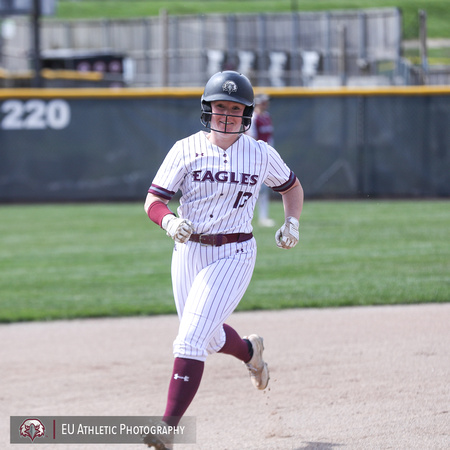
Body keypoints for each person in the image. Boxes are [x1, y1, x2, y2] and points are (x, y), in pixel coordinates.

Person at [143, 71, 303, 449]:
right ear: (208, 110)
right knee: (208, 336)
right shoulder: (185, 149)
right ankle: (251, 351)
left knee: (190, 340)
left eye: (235, 108)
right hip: (188, 250)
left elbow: (291, 187)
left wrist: (291, 222)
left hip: (234, 252)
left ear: (246, 114)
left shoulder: (260, 152)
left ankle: (166, 430)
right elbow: (154, 200)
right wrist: (169, 221)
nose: (227, 115)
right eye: (220, 107)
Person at [246, 93, 275, 227]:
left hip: (266, 156)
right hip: (255, 158)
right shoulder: (254, 118)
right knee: (252, 188)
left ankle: (263, 216)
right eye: (263, 102)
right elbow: (252, 139)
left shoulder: (267, 116)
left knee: (263, 188)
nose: (265, 104)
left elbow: (270, 138)